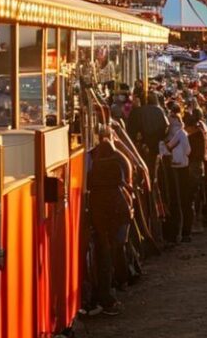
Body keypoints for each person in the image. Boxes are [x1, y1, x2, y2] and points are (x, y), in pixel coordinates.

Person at [88, 134, 133, 316]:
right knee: (117, 248)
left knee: (105, 255)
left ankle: (107, 293)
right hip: (119, 213)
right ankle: (121, 281)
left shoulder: (93, 173)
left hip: (102, 217)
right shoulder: (116, 167)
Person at [166, 105, 193, 243]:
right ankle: (185, 231)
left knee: (178, 199)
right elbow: (188, 151)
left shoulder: (171, 135)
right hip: (184, 166)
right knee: (184, 199)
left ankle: (179, 232)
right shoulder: (183, 133)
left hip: (175, 167)